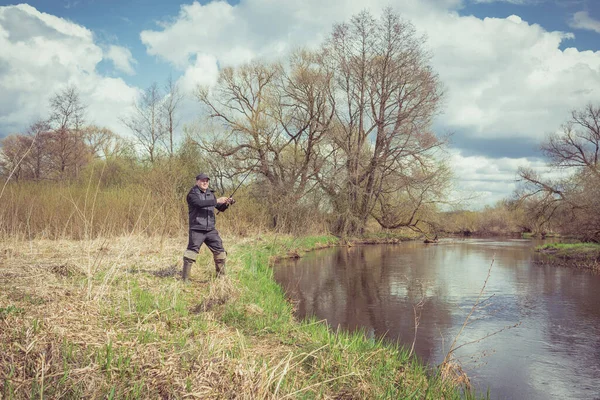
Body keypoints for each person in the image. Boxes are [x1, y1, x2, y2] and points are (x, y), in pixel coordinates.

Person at [182, 173, 234, 281]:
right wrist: (217, 200)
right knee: (191, 253)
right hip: (197, 229)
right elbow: (199, 203)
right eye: (202, 180)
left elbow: (220, 208)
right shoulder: (192, 194)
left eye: (207, 181)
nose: (205, 182)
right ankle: (185, 279)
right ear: (197, 181)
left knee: (220, 251)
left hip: (210, 229)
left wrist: (227, 203)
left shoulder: (210, 194)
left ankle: (221, 278)